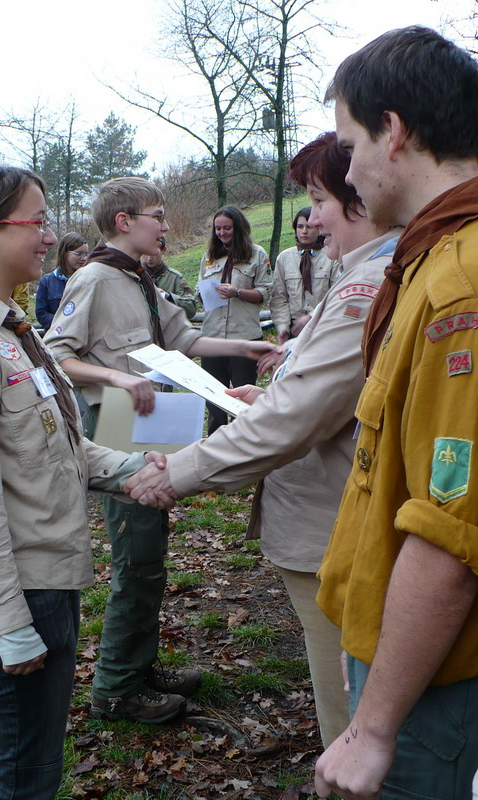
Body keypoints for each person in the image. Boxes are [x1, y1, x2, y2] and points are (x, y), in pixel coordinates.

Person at [124, 131, 398, 747]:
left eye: (320, 199)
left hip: (332, 527)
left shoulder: (365, 286)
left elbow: (300, 419)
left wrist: (179, 472)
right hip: (331, 516)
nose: (313, 218)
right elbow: (317, 402)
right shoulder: (362, 276)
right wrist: (267, 399)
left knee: (350, 713)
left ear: (363, 198)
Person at [0, 164, 167, 800]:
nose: (49, 237)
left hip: (42, 573)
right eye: (38, 221)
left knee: (35, 768)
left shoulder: (7, 332)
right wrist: (5, 620)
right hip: (8, 586)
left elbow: (55, 449)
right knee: (22, 775)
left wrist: (143, 468)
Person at [309, 27, 478, 800]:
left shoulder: (461, 288)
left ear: (396, 131)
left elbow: (452, 533)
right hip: (407, 658)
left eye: (349, 145)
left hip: (430, 680)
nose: (347, 170)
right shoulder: (428, 262)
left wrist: (373, 730)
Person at [43, 177, 279, 724]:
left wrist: (248, 345)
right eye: (157, 214)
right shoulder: (96, 278)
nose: (166, 225)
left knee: (151, 553)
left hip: (148, 425)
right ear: (125, 221)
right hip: (116, 427)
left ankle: (139, 666)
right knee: (135, 559)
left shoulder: (141, 280)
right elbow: (57, 354)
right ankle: (116, 689)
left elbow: (185, 340)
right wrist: (117, 379)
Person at [198, 205, 272, 434]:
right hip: (213, 340)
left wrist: (237, 292)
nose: (222, 233)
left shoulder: (257, 254)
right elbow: (198, 294)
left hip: (244, 340)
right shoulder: (209, 257)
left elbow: (265, 293)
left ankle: (243, 447)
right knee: (215, 404)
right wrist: (204, 293)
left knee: (242, 402)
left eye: (227, 228)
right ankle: (214, 449)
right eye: (218, 229)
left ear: (238, 228)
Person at [270, 207, 340, 343]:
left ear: (319, 229)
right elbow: (279, 297)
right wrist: (283, 327)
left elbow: (335, 295)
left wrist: (312, 317)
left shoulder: (331, 256)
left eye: (309, 227)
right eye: (300, 226)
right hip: (294, 329)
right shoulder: (284, 258)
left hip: (323, 327)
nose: (304, 231)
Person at [35, 232, 88, 331]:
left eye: (85, 254)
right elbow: (41, 314)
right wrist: (64, 322)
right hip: (56, 337)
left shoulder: (88, 280)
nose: (83, 258)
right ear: (64, 253)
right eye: (78, 254)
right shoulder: (47, 282)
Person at [142, 236, 197, 320]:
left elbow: (191, 309)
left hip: (169, 329)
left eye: (154, 253)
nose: (149, 258)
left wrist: (169, 297)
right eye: (146, 253)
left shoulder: (175, 278)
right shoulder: (136, 276)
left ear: (163, 250)